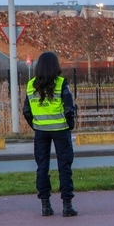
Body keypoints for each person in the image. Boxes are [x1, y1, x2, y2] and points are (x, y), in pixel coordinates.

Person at [23, 51, 78, 217]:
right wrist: (69, 124)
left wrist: (35, 124)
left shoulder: (31, 84)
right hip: (60, 130)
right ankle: (67, 205)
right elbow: (69, 108)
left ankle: (45, 205)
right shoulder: (61, 83)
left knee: (42, 167)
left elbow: (26, 110)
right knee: (64, 166)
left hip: (41, 131)